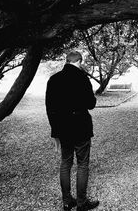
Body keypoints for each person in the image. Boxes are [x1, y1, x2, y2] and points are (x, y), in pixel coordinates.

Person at [45, 50, 99, 211]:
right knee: (82, 164)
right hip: (80, 126)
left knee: (65, 163)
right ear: (79, 61)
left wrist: (55, 132)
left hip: (62, 127)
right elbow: (91, 104)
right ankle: (82, 203)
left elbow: (50, 108)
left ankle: (67, 201)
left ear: (67, 61)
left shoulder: (54, 79)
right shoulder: (82, 78)